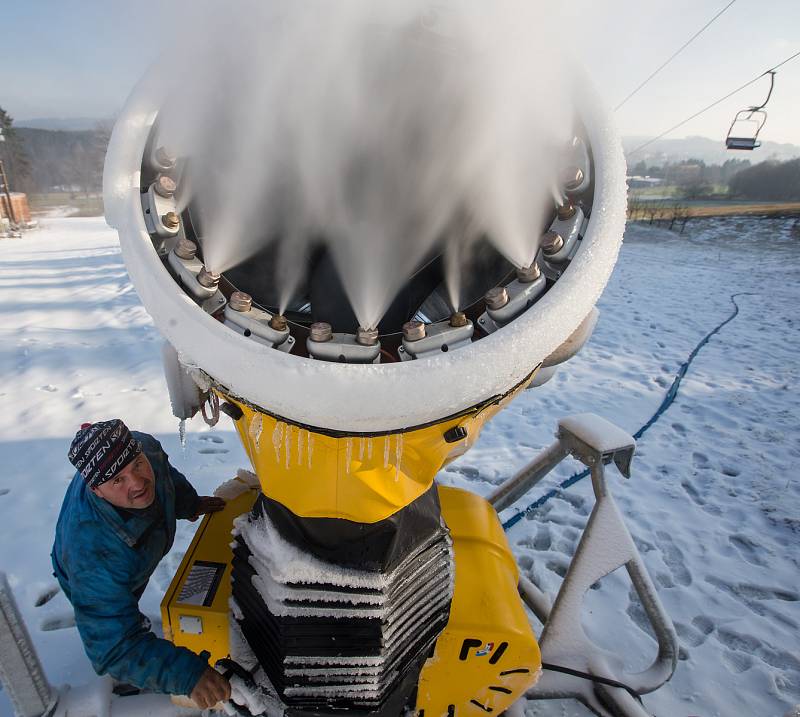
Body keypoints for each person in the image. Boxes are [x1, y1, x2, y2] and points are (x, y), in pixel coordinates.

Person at [51, 419, 232, 709]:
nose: (137, 483)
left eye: (136, 465)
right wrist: (187, 675)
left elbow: (166, 478)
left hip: (132, 552)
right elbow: (112, 650)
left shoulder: (143, 447)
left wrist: (189, 504)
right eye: (117, 480)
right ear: (96, 490)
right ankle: (140, 671)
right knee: (116, 622)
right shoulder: (93, 557)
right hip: (91, 567)